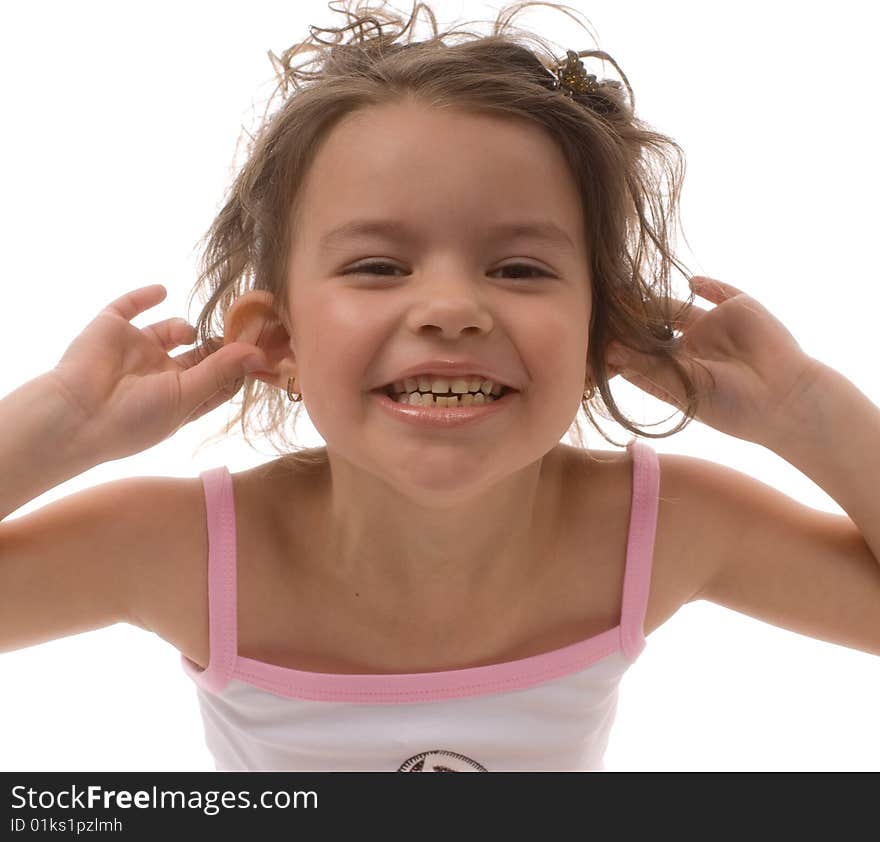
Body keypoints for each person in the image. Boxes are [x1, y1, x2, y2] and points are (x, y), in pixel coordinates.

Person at [2, 0, 879, 772]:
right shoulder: (187, 552)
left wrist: (810, 415)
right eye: (379, 265)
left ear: (600, 337)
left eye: (522, 268)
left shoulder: (662, 529)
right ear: (276, 340)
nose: (453, 308)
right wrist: (60, 425)